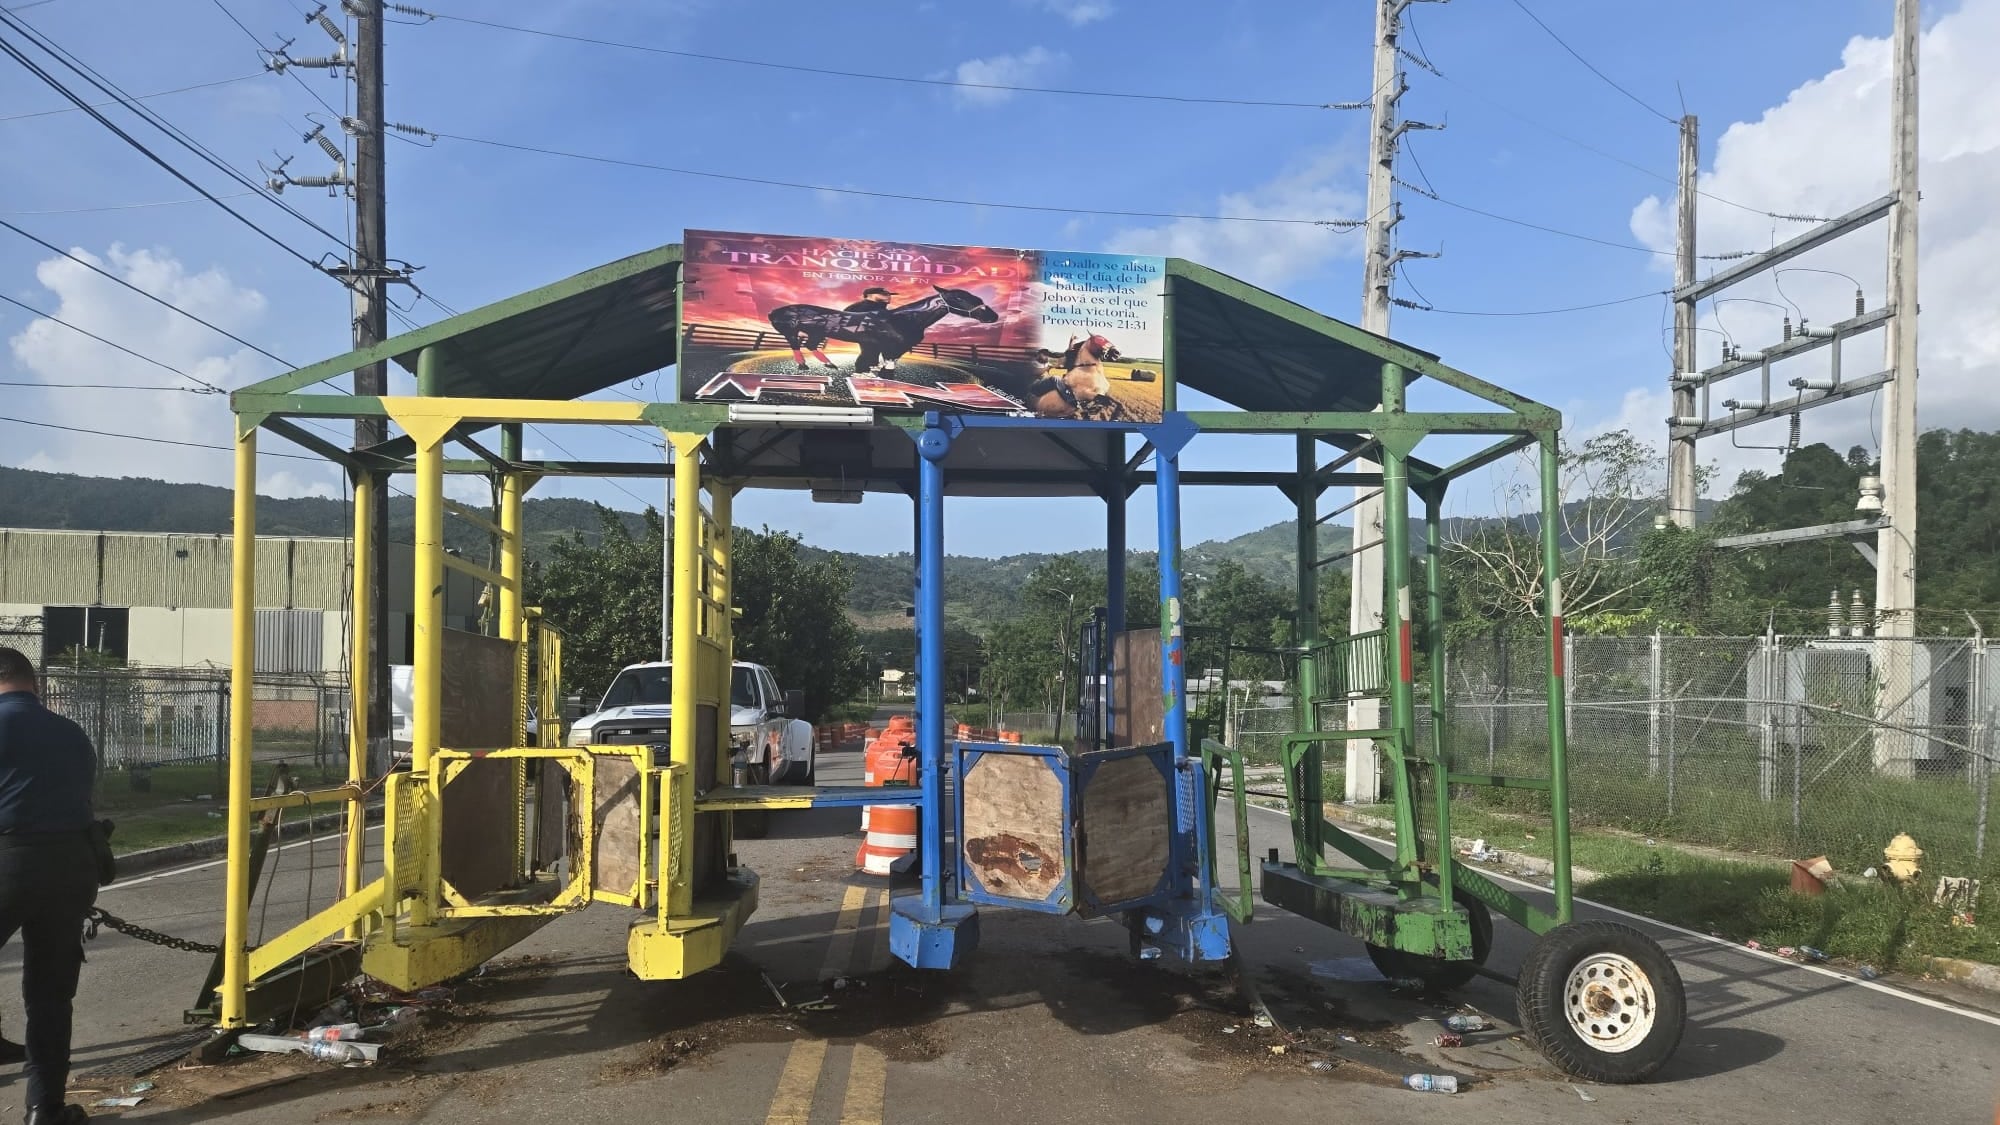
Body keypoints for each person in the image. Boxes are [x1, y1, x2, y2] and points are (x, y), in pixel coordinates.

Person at [0, 647, 98, 1125]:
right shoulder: (72, 732)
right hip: (70, 865)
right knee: (50, 996)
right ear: (32, 682)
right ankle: (45, 1109)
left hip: (7, 860)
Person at [843, 286, 896, 373]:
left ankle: (867, 370)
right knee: (870, 352)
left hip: (876, 337)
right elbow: (845, 321)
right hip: (866, 335)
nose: (888, 296)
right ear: (870, 295)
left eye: (889, 294)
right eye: (884, 294)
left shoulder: (880, 307)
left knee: (874, 353)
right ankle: (862, 371)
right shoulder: (861, 307)